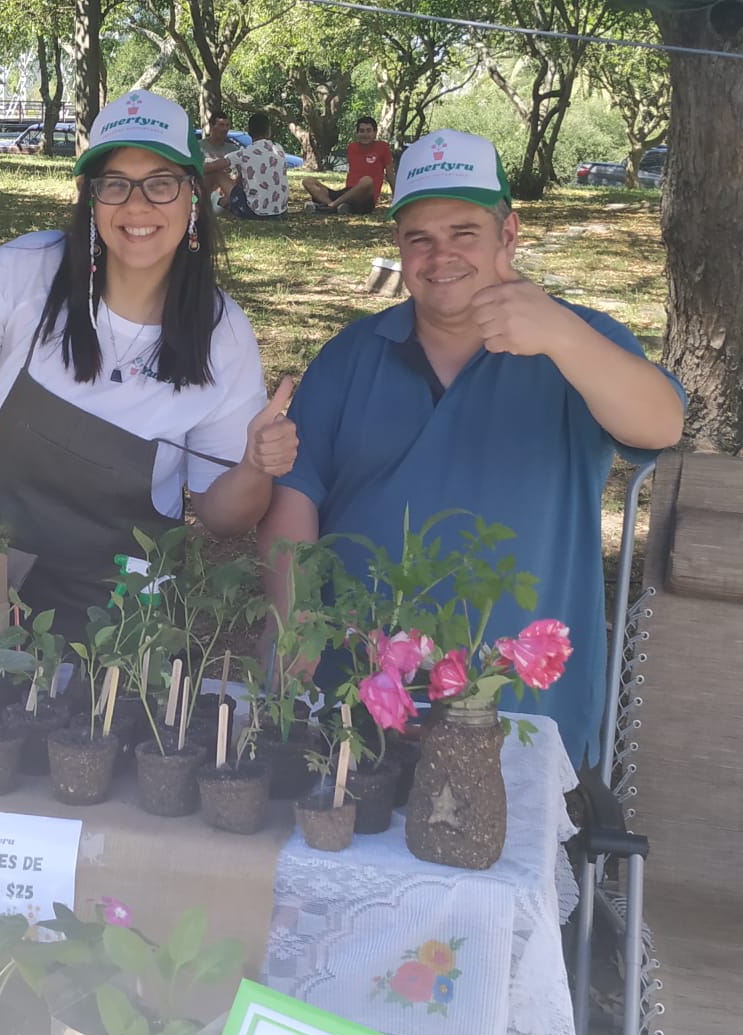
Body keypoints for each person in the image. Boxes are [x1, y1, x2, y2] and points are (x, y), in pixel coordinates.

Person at [258, 130, 686, 767]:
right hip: (362, 692)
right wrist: (289, 642)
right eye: (419, 238)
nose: (441, 257)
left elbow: (661, 425)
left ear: (508, 234)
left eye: (464, 232)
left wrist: (560, 336)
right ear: (397, 246)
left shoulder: (578, 342)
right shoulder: (351, 356)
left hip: (518, 705)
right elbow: (295, 502)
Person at [0, 91, 297, 620]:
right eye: (115, 184)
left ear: (194, 195)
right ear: (89, 195)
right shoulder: (26, 273)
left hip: (121, 626)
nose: (137, 206)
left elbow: (224, 515)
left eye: (161, 183)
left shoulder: (223, 334)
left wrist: (255, 466)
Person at [303, 116, 394, 215]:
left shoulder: (383, 147)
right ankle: (333, 206)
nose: (365, 134)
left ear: (375, 133)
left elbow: (390, 174)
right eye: (362, 131)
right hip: (346, 194)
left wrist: (396, 196)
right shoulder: (352, 147)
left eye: (369, 131)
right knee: (308, 181)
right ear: (357, 133)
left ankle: (332, 206)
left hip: (366, 196)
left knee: (367, 180)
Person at [225, 112, 290, 220]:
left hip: (255, 213)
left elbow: (213, 166)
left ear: (249, 132)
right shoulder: (279, 149)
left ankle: (205, 204)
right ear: (268, 131)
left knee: (217, 174)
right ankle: (223, 202)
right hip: (281, 212)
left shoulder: (243, 154)